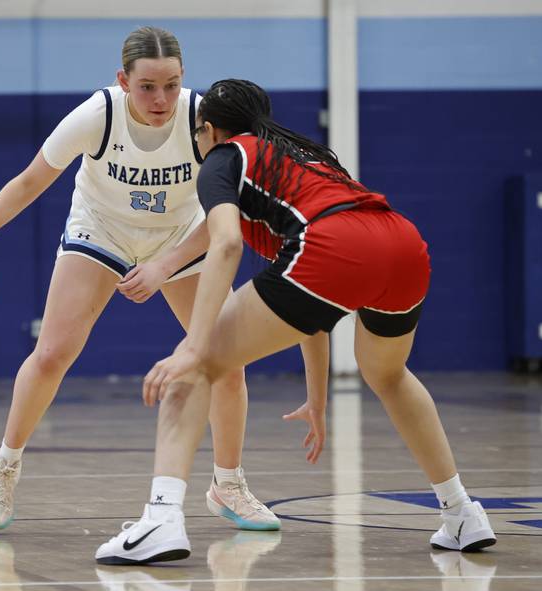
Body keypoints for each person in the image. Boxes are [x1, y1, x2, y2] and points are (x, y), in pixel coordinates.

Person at [96, 79, 496, 564]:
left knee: (195, 367)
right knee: (389, 374)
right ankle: (461, 512)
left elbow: (225, 244)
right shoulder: (304, 160)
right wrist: (317, 397)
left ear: (208, 130)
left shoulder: (224, 159)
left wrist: (194, 345)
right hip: (402, 244)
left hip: (338, 246)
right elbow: (314, 307)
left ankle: (161, 520)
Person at [0, 29, 280, 537]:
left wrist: (166, 263)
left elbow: (225, 215)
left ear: (184, 79)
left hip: (183, 238)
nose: (160, 99)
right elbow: (29, 182)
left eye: (171, 84)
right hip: (101, 230)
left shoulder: (205, 122)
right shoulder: (97, 116)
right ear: (123, 81)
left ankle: (227, 484)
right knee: (53, 352)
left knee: (226, 363)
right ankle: (5, 468)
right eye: (146, 86)